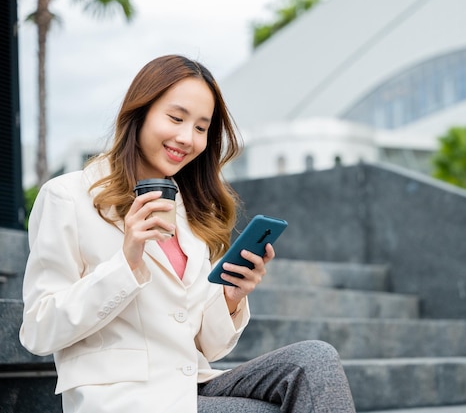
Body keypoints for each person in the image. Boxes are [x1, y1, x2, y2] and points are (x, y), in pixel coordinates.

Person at [19, 54, 356, 413]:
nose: (187, 137)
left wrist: (229, 297)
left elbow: (207, 347)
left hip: (189, 384)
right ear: (141, 112)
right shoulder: (67, 197)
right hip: (123, 397)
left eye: (200, 127)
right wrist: (126, 262)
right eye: (176, 118)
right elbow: (39, 331)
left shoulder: (188, 212)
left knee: (315, 359)